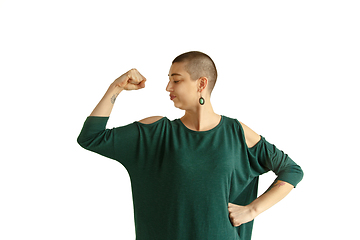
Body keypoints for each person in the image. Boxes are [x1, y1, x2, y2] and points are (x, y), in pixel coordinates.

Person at [77, 51, 303, 240]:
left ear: (201, 83)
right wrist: (116, 87)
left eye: (176, 80)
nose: (168, 87)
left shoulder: (236, 132)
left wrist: (252, 210)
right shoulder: (158, 132)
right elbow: (91, 137)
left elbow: (291, 170)